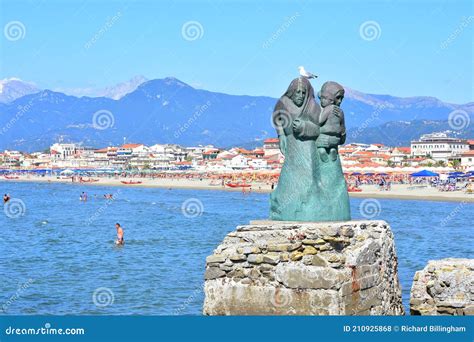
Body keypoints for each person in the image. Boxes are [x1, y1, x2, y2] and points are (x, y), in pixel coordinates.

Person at [316, 81, 346, 162]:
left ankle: (322, 151)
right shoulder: (340, 112)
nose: (340, 101)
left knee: (320, 147)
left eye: (341, 98)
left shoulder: (327, 109)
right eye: (338, 97)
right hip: (335, 140)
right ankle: (332, 150)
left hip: (323, 140)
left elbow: (319, 121)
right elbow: (342, 135)